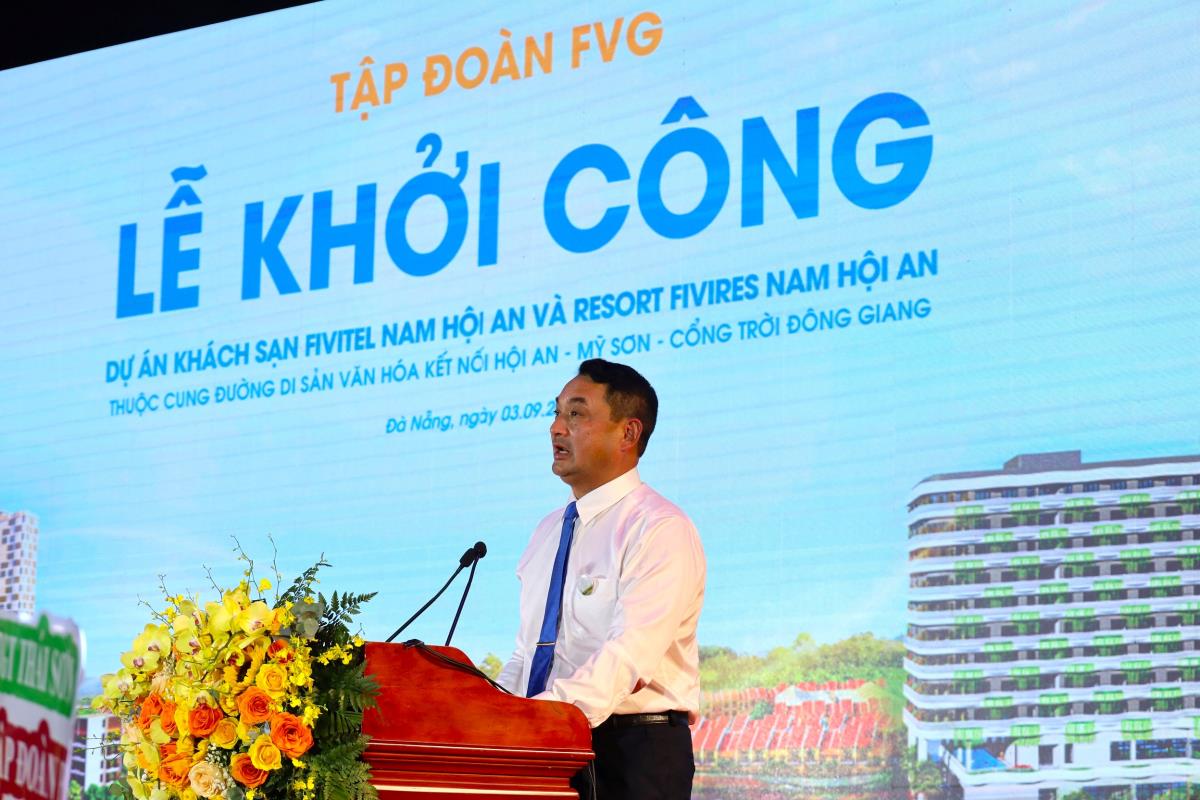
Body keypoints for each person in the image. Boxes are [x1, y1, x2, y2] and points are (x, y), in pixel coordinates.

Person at [498, 359, 706, 800]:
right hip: (546, 749)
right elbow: (526, 653)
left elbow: (630, 653)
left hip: (633, 754)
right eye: (556, 412)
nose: (556, 428)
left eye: (576, 414)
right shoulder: (547, 532)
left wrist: (541, 719)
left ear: (628, 433)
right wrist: (498, 717)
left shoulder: (658, 527)